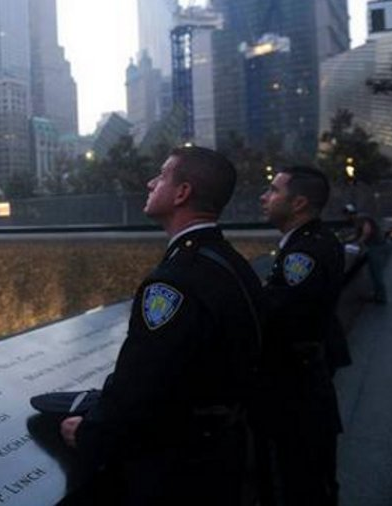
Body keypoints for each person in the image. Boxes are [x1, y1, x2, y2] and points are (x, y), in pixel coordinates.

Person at [57, 146, 263, 505]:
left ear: (182, 193)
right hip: (224, 451)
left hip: (177, 468)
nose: (151, 182)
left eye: (162, 175)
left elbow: (143, 381)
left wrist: (92, 433)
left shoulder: (172, 282)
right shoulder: (232, 262)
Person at [257, 167, 344, 505]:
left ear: (299, 203)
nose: (264, 197)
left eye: (273, 191)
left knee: (297, 486)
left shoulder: (302, 254)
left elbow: (282, 316)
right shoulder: (317, 240)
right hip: (307, 387)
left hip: (294, 396)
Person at [343, 204, 387, 304]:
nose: (346, 217)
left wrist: (357, 243)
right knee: (373, 272)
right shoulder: (358, 220)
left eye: (347, 214)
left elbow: (366, 232)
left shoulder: (362, 218)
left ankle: (381, 298)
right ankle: (377, 295)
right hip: (373, 246)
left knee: (376, 273)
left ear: (351, 214)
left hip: (376, 247)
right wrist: (347, 240)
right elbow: (357, 234)